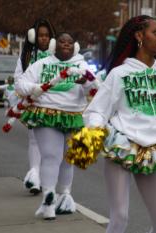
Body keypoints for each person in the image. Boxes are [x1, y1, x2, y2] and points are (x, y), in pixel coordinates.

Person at [82, 15, 156, 233]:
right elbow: (97, 110)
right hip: (122, 147)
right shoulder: (119, 74)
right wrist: (95, 129)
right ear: (139, 35)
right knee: (120, 217)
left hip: (151, 151)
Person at [16, 32, 97, 220]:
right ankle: (48, 198)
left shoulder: (82, 65)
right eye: (62, 41)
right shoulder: (41, 64)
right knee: (51, 156)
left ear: (75, 46)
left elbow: (95, 90)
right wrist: (35, 88)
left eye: (70, 42)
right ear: (54, 45)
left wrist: (85, 82)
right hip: (47, 114)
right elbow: (21, 84)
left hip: (74, 116)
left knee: (69, 159)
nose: (66, 44)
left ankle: (64, 195)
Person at [14, 18, 56, 195]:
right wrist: (31, 90)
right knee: (34, 140)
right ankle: (35, 178)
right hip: (33, 102)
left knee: (52, 146)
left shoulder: (57, 56)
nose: (44, 39)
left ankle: (49, 181)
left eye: (47, 36)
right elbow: (18, 78)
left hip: (55, 106)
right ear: (33, 37)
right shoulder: (27, 56)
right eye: (40, 35)